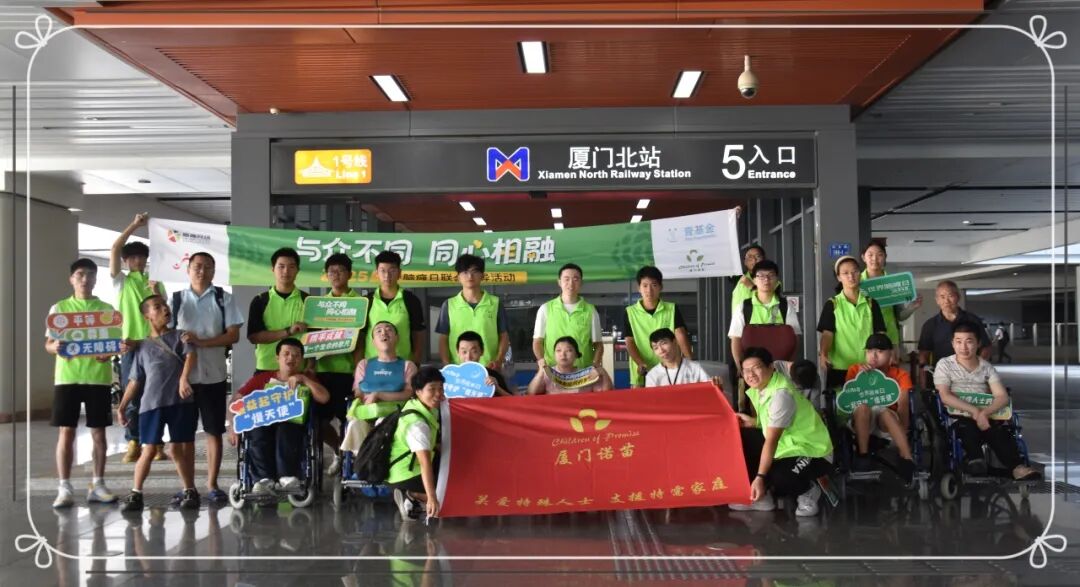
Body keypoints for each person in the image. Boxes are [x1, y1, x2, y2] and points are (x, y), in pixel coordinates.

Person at [168, 251, 244, 505]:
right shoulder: (176, 300)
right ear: (188, 269)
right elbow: (165, 334)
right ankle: (188, 487)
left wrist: (201, 342)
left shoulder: (224, 298)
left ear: (214, 271)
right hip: (184, 378)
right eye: (197, 266)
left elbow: (233, 335)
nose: (202, 271)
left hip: (214, 375)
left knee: (213, 431)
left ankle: (212, 484)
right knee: (185, 435)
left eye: (208, 267)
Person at [46, 258, 120, 507]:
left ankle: (97, 485)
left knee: (99, 432)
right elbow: (48, 344)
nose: (85, 279)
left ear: (96, 279)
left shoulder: (107, 310)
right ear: (71, 279)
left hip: (98, 379)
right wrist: (55, 346)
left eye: (90, 274)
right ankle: (64, 487)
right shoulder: (60, 308)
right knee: (66, 432)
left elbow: (112, 345)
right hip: (67, 378)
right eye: (80, 274)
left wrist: (108, 353)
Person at [116, 295, 199, 513]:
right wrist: (122, 407)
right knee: (149, 449)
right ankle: (136, 493)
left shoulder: (181, 336)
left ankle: (190, 490)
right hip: (151, 405)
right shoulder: (142, 346)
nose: (164, 309)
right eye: (157, 307)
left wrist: (183, 379)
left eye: (165, 305)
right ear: (147, 316)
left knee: (177, 449)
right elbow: (135, 380)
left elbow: (191, 356)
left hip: (180, 402)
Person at [933, 322, 1039, 481]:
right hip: (957, 416)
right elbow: (945, 395)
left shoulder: (986, 368)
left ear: (978, 343)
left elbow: (1002, 396)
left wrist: (984, 413)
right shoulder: (945, 365)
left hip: (986, 416)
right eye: (958, 341)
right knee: (967, 426)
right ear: (952, 343)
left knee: (999, 432)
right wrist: (975, 412)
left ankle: (1017, 468)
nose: (963, 347)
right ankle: (976, 461)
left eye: (969, 341)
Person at [734, 347, 834, 516]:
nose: (750, 374)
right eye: (746, 370)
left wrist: (760, 477)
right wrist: (753, 422)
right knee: (743, 439)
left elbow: (772, 440)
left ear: (771, 367)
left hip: (813, 450)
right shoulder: (762, 388)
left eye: (756, 368)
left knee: (780, 477)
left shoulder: (781, 394)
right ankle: (761, 496)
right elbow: (773, 422)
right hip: (787, 447)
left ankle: (809, 491)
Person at [229, 338, 331, 495]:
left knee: (286, 429)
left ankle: (287, 476)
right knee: (256, 429)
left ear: (302, 360)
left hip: (293, 424)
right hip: (264, 422)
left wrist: (304, 379)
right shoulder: (262, 379)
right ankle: (263, 479)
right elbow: (235, 401)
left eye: (296, 355)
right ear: (277, 358)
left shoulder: (306, 379)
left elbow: (324, 398)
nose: (291, 358)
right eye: (286, 354)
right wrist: (233, 426)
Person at [111, 212, 167, 463]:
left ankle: (156, 443)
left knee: (156, 395)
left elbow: (165, 313)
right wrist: (134, 225)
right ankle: (133, 441)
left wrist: (156, 292)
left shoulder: (155, 282)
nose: (138, 261)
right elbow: (115, 248)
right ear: (125, 261)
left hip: (155, 345)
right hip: (130, 346)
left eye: (142, 257)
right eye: (132, 257)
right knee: (131, 396)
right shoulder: (121, 282)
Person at [315, 253, 364, 476]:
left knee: (349, 420)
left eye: (341, 271)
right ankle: (337, 451)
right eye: (331, 272)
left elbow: (361, 342)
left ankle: (350, 461)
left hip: (348, 373)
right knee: (318, 422)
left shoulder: (360, 303)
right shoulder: (319, 305)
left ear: (350, 274)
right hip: (323, 373)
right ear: (326, 275)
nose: (336, 275)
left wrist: (359, 375)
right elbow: (311, 340)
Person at [843, 333, 916, 481]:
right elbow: (850, 399)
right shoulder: (855, 370)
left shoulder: (900, 375)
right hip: (862, 418)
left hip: (887, 421)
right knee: (863, 407)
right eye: (870, 351)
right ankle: (863, 455)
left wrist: (904, 431)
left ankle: (907, 458)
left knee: (884, 412)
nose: (873, 356)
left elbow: (903, 404)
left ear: (890, 354)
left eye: (880, 351)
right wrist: (860, 378)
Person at [816, 256, 887, 390]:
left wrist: (883, 358)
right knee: (840, 401)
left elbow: (880, 334)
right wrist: (823, 354)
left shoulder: (871, 303)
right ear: (839, 277)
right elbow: (827, 334)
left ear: (860, 274)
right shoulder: (833, 304)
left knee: (868, 400)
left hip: (868, 367)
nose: (851, 276)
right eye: (845, 273)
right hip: (841, 368)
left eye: (855, 271)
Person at [390, 366, 447, 522]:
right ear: (418, 391)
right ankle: (410, 494)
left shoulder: (423, 406)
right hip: (405, 473)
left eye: (440, 388)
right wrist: (432, 497)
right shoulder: (417, 424)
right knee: (448, 497)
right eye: (432, 389)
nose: (438, 394)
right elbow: (424, 463)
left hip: (412, 464)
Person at [728, 259, 802, 375]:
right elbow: (736, 340)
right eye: (761, 276)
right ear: (754, 280)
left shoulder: (785, 306)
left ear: (777, 280)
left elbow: (795, 338)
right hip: (752, 372)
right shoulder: (744, 307)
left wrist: (788, 367)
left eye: (771, 275)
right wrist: (741, 368)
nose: (766, 280)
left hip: (780, 371)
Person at [436, 254, 510, 369]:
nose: (470, 276)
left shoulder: (495, 303)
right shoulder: (449, 305)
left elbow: (504, 336)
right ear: (458, 277)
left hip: (488, 368)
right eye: (465, 272)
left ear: (482, 276)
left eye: (474, 271)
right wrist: (447, 365)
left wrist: (498, 361)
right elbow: (443, 338)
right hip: (458, 369)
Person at [623, 266, 692, 388]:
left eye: (654, 285)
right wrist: (640, 363)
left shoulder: (671, 308)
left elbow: (680, 334)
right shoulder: (630, 312)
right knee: (640, 400)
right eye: (645, 286)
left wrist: (690, 362)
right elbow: (629, 341)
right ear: (639, 288)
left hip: (670, 370)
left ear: (661, 287)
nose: (649, 290)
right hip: (642, 372)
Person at [348, 321, 418, 437]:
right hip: (367, 413)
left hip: (396, 414)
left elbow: (409, 393)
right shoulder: (364, 365)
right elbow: (358, 392)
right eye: (378, 331)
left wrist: (379, 395)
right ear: (373, 342)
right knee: (354, 425)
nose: (383, 333)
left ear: (397, 338)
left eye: (389, 330)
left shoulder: (408, 366)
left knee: (382, 424)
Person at [917, 280, 992, 387]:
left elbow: (986, 348)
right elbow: (923, 355)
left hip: (970, 378)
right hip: (941, 378)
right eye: (942, 297)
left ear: (958, 297)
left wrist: (977, 369)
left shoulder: (973, 320)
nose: (946, 301)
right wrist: (923, 385)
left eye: (950, 296)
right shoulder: (930, 325)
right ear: (937, 300)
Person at [247, 247, 309, 373]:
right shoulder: (260, 300)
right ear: (273, 269)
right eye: (281, 266)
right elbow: (254, 337)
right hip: (266, 368)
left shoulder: (308, 300)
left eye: (291, 267)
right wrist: (288, 331)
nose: (286, 271)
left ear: (297, 270)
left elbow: (315, 337)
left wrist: (311, 365)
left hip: (298, 369)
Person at [532, 263, 603, 371]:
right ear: (559, 282)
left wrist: (595, 365)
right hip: (553, 373)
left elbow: (598, 345)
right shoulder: (545, 309)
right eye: (566, 279)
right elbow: (537, 342)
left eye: (575, 279)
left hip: (582, 373)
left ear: (581, 283)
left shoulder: (590, 310)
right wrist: (542, 362)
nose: (571, 283)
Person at [861, 240, 923, 360]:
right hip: (862, 338)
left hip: (889, 338)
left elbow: (900, 316)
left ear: (885, 257)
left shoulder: (893, 284)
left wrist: (912, 307)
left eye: (879, 255)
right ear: (863, 257)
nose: (875, 259)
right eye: (870, 255)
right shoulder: (857, 283)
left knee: (889, 371)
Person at [365, 250, 427, 364]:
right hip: (372, 365)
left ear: (399, 273)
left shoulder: (411, 300)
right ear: (376, 273)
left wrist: (416, 363)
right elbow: (360, 335)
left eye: (392, 270)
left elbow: (418, 334)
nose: (387, 275)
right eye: (382, 270)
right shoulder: (367, 300)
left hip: (403, 365)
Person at [527, 337, 613, 395]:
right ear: (554, 355)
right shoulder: (546, 374)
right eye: (558, 350)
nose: (563, 354)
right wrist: (540, 372)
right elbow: (531, 393)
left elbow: (605, 395)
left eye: (568, 350)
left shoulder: (588, 375)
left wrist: (603, 372)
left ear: (576, 354)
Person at [644, 328, 715, 387]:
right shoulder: (652, 375)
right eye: (656, 348)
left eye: (664, 343)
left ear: (675, 342)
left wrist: (716, 384)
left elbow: (710, 389)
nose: (661, 350)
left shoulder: (695, 369)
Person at [455, 331, 511, 396]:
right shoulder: (451, 376)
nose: (468, 357)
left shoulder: (493, 375)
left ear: (482, 351)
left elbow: (514, 400)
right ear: (457, 352)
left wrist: (497, 388)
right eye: (464, 352)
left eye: (474, 352)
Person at [731, 245, 766, 317]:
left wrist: (752, 287)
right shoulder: (739, 278)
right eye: (750, 257)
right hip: (739, 322)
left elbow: (772, 301)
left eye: (757, 256)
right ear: (745, 262)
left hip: (760, 322)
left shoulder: (770, 280)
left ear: (764, 260)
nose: (754, 260)